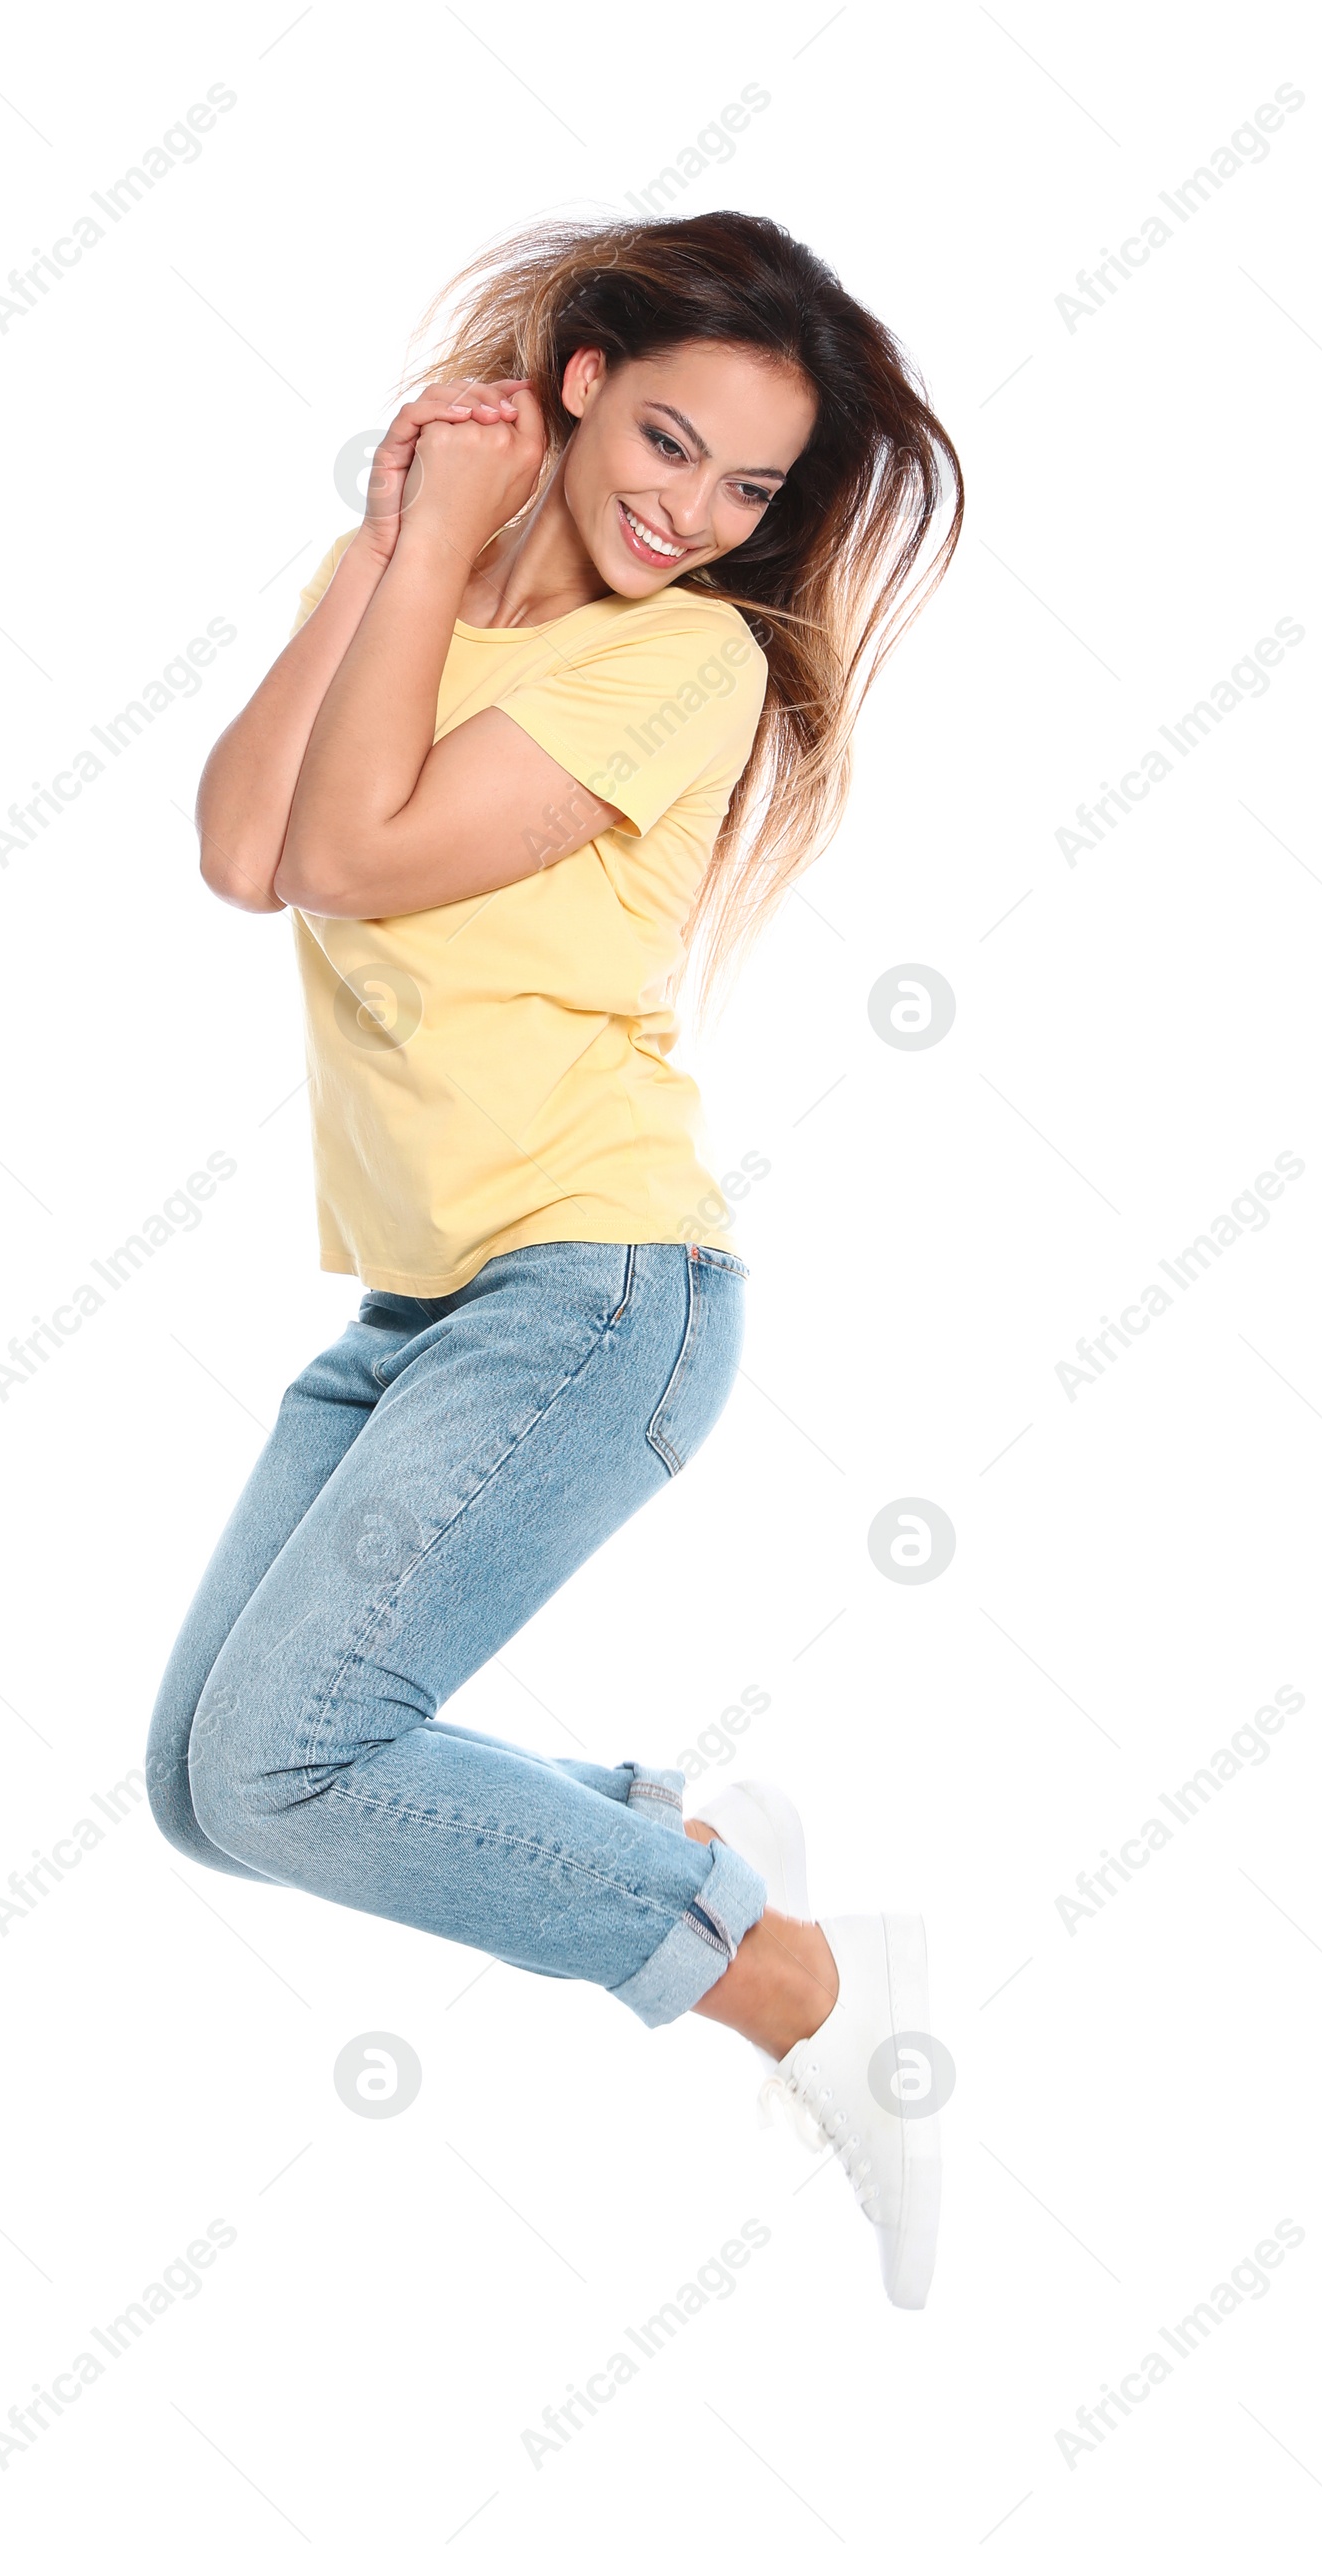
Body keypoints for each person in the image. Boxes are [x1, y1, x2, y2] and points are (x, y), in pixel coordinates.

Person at [145, 211, 962, 2307]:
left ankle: (795, 1986)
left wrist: (417, 552)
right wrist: (404, 537)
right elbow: (247, 855)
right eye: (665, 440)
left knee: (282, 1760)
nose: (688, 514)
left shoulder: (683, 663)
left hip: (594, 1291)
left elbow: (349, 850)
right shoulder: (421, 590)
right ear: (579, 377)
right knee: (209, 1790)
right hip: (423, 1308)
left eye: (747, 489)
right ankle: (674, 1862)